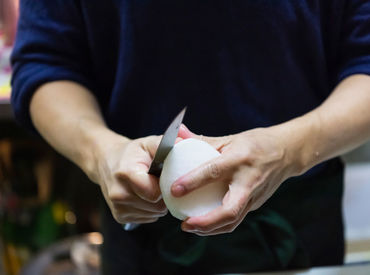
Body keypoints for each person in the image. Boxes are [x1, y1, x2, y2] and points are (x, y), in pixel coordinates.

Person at [11, 0, 370, 274]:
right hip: (142, 236)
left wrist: (292, 149)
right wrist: (102, 152)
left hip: (298, 236)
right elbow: (45, 62)